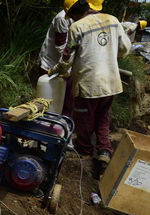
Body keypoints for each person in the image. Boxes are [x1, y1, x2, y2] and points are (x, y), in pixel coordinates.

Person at [49, 0, 130, 171]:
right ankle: (104, 151)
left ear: (75, 14)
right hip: (110, 82)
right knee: (103, 117)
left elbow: (67, 58)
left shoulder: (77, 27)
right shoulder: (113, 20)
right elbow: (124, 49)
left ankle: (84, 155)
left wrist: (56, 70)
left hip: (88, 84)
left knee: (84, 120)